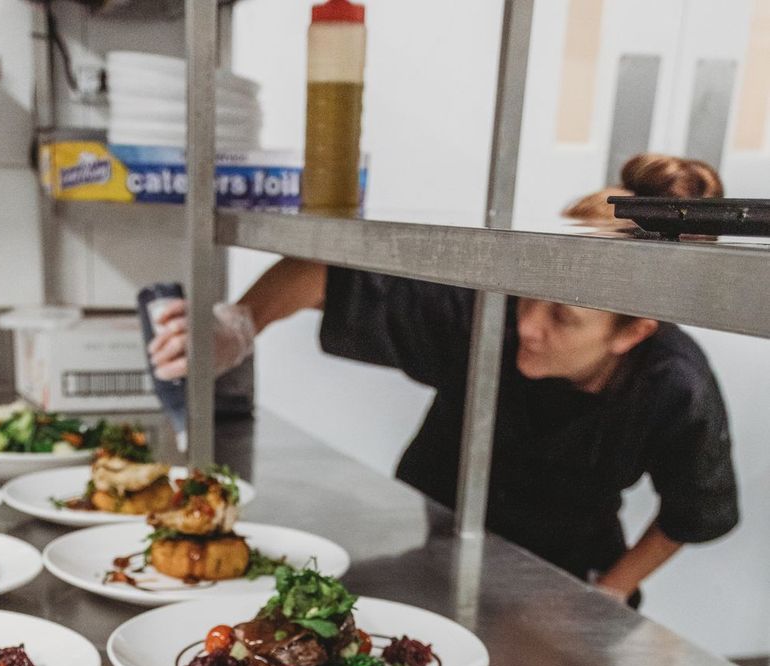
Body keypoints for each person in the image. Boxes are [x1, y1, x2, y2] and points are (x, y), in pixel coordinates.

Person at [149, 153, 739, 603]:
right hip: (436, 539)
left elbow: (691, 513)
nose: (528, 326)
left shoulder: (674, 385)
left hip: (569, 566)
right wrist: (240, 323)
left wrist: (606, 595)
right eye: (527, 300)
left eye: (562, 316)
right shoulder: (488, 319)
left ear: (631, 334)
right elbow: (323, 271)